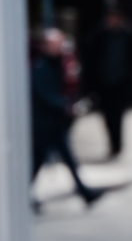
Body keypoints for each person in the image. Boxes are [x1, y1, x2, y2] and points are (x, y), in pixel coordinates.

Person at [31, 29, 104, 208]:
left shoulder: (61, 64)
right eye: (55, 44)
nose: (59, 47)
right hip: (43, 124)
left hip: (56, 123)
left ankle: (84, 192)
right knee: (37, 162)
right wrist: (65, 106)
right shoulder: (41, 67)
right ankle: (20, 195)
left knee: (69, 160)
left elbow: (67, 86)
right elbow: (44, 94)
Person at [84, 8, 132, 158]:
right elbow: (90, 59)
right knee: (107, 115)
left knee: (118, 115)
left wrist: (131, 77)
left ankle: (117, 144)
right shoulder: (99, 35)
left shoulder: (128, 34)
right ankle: (112, 142)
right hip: (104, 83)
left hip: (121, 83)